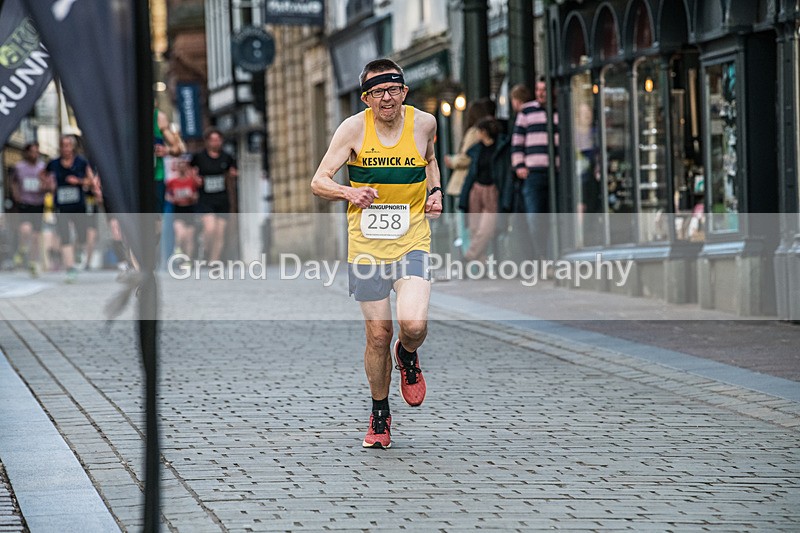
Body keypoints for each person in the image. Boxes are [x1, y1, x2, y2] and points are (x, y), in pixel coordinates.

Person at [310, 58, 442, 449]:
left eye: (394, 90)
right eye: (378, 92)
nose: (388, 98)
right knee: (378, 334)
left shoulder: (425, 124)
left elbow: (431, 160)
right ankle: (380, 413)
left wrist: (434, 192)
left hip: (412, 240)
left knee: (413, 325)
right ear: (366, 98)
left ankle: (409, 354)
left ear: (405, 91)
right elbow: (318, 182)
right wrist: (349, 192)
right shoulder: (352, 129)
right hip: (366, 248)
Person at [510, 78, 558, 259]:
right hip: (533, 173)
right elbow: (517, 141)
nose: (540, 93)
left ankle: (553, 256)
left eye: (544, 90)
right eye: (538, 89)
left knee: (557, 217)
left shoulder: (560, 110)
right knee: (535, 217)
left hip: (557, 173)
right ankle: (542, 257)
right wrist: (519, 165)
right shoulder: (527, 111)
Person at [457, 117, 514, 265]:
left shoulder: (501, 148)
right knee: (474, 229)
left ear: (484, 132)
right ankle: (481, 267)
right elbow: (471, 173)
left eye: (478, 132)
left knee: (486, 229)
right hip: (476, 190)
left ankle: (468, 257)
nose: (476, 135)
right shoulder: (477, 149)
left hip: (492, 191)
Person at [444, 98, 496, 258]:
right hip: (475, 185)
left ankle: (471, 259)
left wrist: (452, 160)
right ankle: (477, 263)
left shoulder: (474, 132)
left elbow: (466, 157)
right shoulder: (480, 133)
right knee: (475, 227)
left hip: (468, 184)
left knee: (470, 227)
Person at [46, 134, 99, 283]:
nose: (66, 149)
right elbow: (43, 176)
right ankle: (70, 269)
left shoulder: (81, 162)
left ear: (73, 147)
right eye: (63, 146)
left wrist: (79, 181)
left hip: (78, 205)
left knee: (81, 235)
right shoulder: (54, 163)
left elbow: (91, 181)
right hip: (61, 205)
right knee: (65, 235)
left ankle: (78, 252)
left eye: (68, 145)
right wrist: (49, 185)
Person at [191, 127, 237, 262]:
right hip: (206, 198)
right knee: (210, 229)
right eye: (213, 140)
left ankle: (214, 261)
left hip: (222, 198)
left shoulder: (226, 157)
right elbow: (190, 169)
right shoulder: (200, 157)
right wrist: (195, 179)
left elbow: (233, 170)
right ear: (207, 142)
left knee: (220, 232)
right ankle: (205, 248)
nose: (216, 143)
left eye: (218, 140)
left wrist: (233, 175)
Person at [10, 142, 53, 276]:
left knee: (35, 236)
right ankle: (22, 249)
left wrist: (44, 187)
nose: (34, 154)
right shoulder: (19, 167)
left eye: (36, 151)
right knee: (25, 230)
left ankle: (33, 263)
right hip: (25, 202)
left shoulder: (43, 167)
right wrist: (16, 194)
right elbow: (13, 182)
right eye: (32, 151)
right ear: (27, 152)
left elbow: (50, 184)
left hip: (38, 203)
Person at [165, 156, 201, 265]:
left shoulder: (191, 181)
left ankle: (187, 261)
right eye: (179, 164)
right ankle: (178, 250)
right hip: (178, 210)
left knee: (189, 238)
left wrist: (192, 197)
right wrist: (174, 199)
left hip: (189, 210)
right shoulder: (172, 181)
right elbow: (167, 196)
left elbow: (196, 196)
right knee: (180, 234)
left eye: (183, 164)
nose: (181, 167)